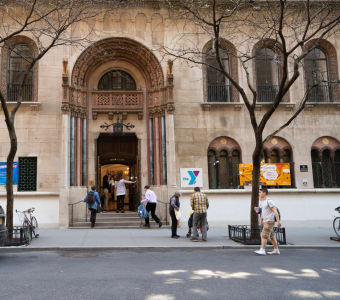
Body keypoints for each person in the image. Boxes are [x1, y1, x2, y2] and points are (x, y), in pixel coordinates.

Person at [254, 187, 281, 255]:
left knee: (264, 235)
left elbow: (275, 211)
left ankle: (262, 250)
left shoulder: (269, 201)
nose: (259, 194)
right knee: (272, 236)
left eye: (260, 192)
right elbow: (262, 212)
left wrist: (278, 221)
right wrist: (261, 221)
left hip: (269, 221)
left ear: (264, 193)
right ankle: (276, 250)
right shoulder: (262, 202)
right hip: (265, 221)